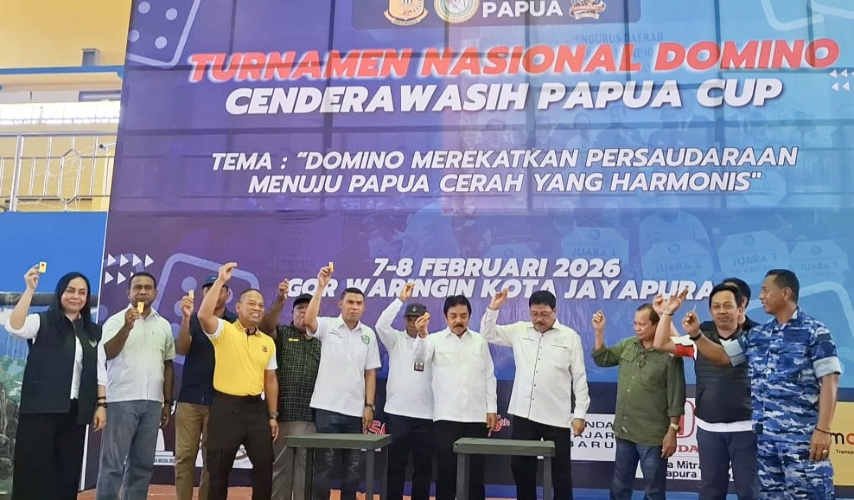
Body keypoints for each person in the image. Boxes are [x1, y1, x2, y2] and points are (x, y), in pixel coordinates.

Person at [667, 270, 842, 498]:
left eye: (765, 290)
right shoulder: (759, 334)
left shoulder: (814, 332)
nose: (760, 296)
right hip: (765, 443)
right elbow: (723, 356)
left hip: (801, 441)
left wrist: (823, 430)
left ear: (785, 293)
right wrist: (697, 335)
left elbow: (830, 380)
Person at [4, 267, 107, 500]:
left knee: (66, 473)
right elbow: (15, 327)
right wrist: (30, 290)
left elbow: (100, 371)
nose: (76, 296)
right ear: (60, 293)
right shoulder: (41, 321)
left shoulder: (93, 331)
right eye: (70, 290)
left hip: (75, 412)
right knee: (35, 471)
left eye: (82, 292)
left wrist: (102, 405)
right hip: (40, 410)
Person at [481, 289, 589, 500]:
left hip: (556, 416)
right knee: (521, 468)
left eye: (544, 314)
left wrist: (580, 414)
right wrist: (493, 308)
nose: (539, 319)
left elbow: (579, 378)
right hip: (524, 414)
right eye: (534, 314)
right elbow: (487, 334)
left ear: (555, 311)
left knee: (561, 472)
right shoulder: (519, 330)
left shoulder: (570, 337)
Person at [653, 284, 758, 499]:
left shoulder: (756, 338)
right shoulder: (697, 340)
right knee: (711, 491)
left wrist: (696, 334)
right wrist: (667, 312)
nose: (722, 311)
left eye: (728, 306)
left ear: (740, 309)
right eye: (716, 306)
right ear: (710, 311)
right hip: (709, 429)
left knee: (750, 492)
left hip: (747, 429)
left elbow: (722, 357)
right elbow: (661, 343)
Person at [197, 262, 279, 500]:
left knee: (264, 468)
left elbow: (271, 380)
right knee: (218, 471)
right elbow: (203, 315)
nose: (257, 308)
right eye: (251, 303)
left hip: (256, 411)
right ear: (238, 307)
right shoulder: (224, 330)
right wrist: (220, 281)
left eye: (261, 305)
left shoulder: (268, 342)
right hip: (225, 408)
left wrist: (272, 416)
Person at [590, 305, 685, 500]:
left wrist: (672, 430)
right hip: (625, 432)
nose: (637, 328)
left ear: (656, 325)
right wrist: (599, 332)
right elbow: (603, 359)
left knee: (653, 491)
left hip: (653, 436)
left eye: (642, 324)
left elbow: (676, 395)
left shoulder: (670, 354)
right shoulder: (629, 344)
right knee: (619, 486)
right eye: (635, 323)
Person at [304, 265, 381, 500]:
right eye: (350, 302)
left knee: (353, 468)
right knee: (324, 465)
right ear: (340, 304)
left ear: (364, 307)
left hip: (355, 412)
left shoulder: (368, 334)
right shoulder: (327, 326)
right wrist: (321, 286)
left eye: (359, 303)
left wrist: (369, 406)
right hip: (327, 408)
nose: (354, 307)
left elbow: (370, 373)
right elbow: (308, 321)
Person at [97, 272, 175, 500]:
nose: (142, 292)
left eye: (148, 288)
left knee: (142, 465)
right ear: (128, 292)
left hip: (153, 403)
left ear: (155, 293)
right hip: (121, 400)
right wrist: (127, 327)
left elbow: (168, 365)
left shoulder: (163, 325)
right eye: (137, 287)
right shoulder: (115, 321)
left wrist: (166, 402)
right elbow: (107, 353)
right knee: (112, 464)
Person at [414, 295, 497, 500]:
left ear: (469, 316)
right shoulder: (433, 340)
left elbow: (489, 376)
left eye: (463, 316)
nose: (458, 320)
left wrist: (491, 409)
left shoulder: (480, 341)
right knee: (446, 473)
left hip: (476, 417)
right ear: (446, 317)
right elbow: (419, 362)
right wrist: (422, 335)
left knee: (475, 474)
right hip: (446, 418)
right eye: (453, 316)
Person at [174, 274, 237, 500]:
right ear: (202, 293)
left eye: (219, 289)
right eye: (208, 289)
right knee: (184, 457)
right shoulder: (192, 319)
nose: (214, 292)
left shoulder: (235, 322)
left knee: (212, 461)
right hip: (189, 399)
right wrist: (185, 319)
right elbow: (181, 349)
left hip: (220, 400)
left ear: (227, 294)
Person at [258, 284, 321, 500]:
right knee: (280, 471)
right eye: (299, 308)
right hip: (283, 416)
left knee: (306, 474)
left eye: (309, 308)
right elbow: (266, 326)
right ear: (292, 313)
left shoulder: (322, 340)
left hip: (311, 418)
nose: (304, 312)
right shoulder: (282, 333)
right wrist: (280, 299)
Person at [375, 283, 434, 500]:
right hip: (397, 414)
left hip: (426, 415)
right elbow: (380, 324)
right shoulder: (395, 339)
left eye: (418, 319)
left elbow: (422, 355)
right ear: (404, 320)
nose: (413, 322)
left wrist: (423, 334)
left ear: (426, 319)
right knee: (395, 467)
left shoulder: (434, 341)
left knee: (423, 469)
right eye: (410, 318)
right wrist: (400, 300)